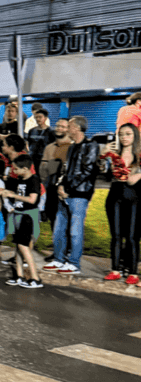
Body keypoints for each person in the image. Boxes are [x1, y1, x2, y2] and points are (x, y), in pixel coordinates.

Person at [43, 116, 100, 275]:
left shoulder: (91, 146)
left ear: (77, 128)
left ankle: (74, 263)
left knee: (75, 230)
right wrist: (61, 186)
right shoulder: (72, 147)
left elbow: (87, 171)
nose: (66, 129)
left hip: (79, 194)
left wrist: (68, 188)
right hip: (66, 193)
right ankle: (59, 259)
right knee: (59, 229)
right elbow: (67, 171)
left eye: (69, 126)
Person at [103, 123, 141, 285]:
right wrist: (104, 155)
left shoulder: (139, 156)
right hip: (115, 198)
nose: (124, 137)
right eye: (122, 134)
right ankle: (115, 269)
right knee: (116, 236)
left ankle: (133, 272)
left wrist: (131, 175)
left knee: (132, 237)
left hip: (135, 199)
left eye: (128, 134)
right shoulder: (114, 155)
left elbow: (132, 180)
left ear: (135, 136)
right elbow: (106, 175)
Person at [2, 155, 43, 288]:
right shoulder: (20, 179)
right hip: (18, 215)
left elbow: (32, 199)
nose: (14, 171)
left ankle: (35, 278)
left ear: (25, 169)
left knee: (23, 247)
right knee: (18, 247)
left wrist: (14, 195)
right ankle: (19, 276)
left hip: (28, 217)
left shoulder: (34, 180)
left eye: (16, 169)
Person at [38, 118, 72, 235]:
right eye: (58, 126)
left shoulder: (72, 148)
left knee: (68, 221)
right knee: (53, 218)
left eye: (63, 126)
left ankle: (68, 250)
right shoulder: (49, 147)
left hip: (66, 190)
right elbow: (43, 169)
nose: (59, 129)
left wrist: (51, 166)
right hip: (51, 188)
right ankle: (57, 251)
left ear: (69, 129)